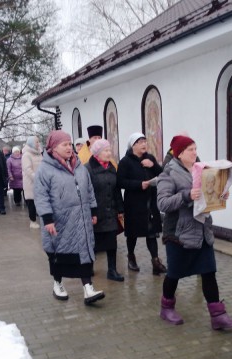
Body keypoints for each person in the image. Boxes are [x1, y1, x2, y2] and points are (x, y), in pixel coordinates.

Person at [156, 135, 232, 330]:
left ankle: (218, 315)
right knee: (174, 274)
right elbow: (162, 204)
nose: (195, 153)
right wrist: (186, 195)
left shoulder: (202, 170)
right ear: (179, 153)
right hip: (178, 233)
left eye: (195, 148)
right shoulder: (168, 173)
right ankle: (166, 307)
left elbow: (209, 192)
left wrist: (220, 193)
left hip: (202, 230)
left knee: (209, 272)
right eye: (190, 150)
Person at [34, 130, 105, 305]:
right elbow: (41, 196)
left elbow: (89, 190)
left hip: (81, 218)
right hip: (58, 221)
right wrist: (48, 219)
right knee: (58, 253)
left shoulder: (80, 166)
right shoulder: (45, 169)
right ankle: (57, 283)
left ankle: (88, 288)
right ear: (53, 147)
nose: (69, 147)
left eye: (69, 144)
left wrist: (93, 211)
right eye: (64, 144)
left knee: (85, 252)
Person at [117, 132, 167, 275]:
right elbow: (120, 182)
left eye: (145, 141)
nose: (144, 144)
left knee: (151, 233)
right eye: (140, 142)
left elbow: (162, 174)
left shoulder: (150, 158)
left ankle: (155, 262)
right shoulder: (125, 161)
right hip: (134, 204)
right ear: (133, 145)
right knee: (132, 233)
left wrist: (153, 165)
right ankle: (131, 258)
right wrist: (139, 185)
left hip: (150, 202)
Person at [84, 139, 125, 282]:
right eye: (106, 151)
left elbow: (116, 190)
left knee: (111, 242)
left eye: (109, 150)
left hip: (110, 212)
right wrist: (90, 211)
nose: (109, 153)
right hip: (95, 213)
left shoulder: (111, 167)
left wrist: (120, 208)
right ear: (97, 153)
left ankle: (112, 270)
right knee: (93, 242)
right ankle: (88, 268)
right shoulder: (87, 169)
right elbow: (85, 193)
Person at [22, 135, 43, 229]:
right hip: (31, 182)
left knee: (40, 201)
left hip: (41, 181)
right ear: (31, 143)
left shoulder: (39, 153)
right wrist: (37, 178)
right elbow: (28, 169)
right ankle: (32, 221)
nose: (38, 144)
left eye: (38, 142)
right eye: (36, 142)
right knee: (32, 202)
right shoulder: (26, 155)